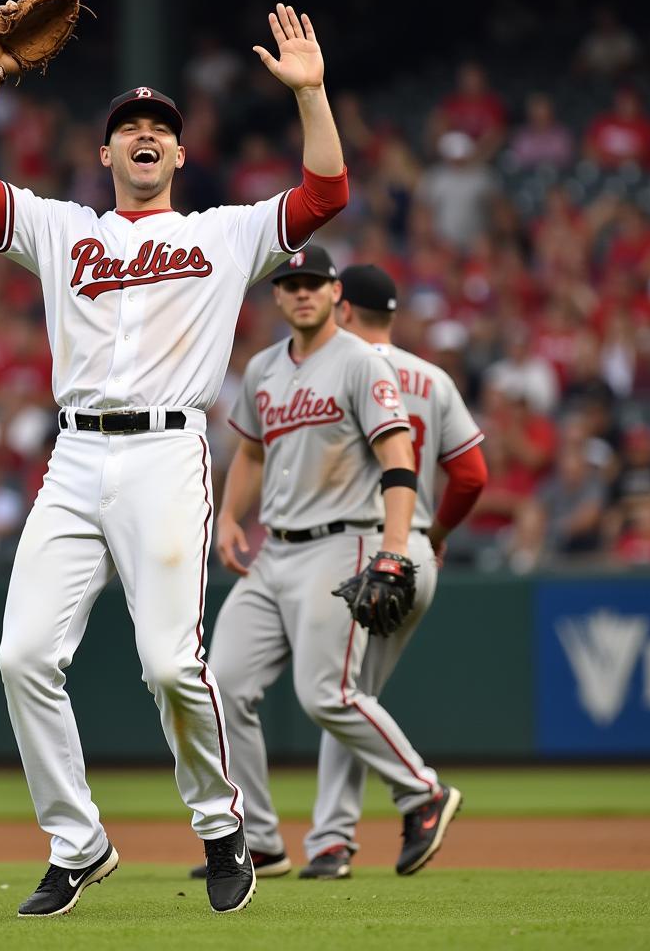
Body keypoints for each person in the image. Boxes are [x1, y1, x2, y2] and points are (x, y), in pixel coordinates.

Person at [0, 1, 349, 916]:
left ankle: (218, 826)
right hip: (75, 459)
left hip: (168, 454)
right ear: (107, 155)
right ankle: (77, 841)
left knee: (169, 665)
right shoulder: (62, 231)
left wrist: (312, 95)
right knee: (19, 657)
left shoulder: (221, 234)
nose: (145, 136)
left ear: (179, 153)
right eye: (129, 128)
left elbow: (325, 198)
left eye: (160, 127)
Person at [190, 250, 467, 886]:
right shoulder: (262, 367)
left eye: (313, 282)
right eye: (290, 284)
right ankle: (259, 840)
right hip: (276, 550)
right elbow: (251, 455)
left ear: (334, 292)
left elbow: (398, 457)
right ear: (278, 297)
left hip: (343, 544)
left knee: (327, 694)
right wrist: (231, 518)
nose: (302, 292)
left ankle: (422, 791)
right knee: (220, 685)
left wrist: (395, 548)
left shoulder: (360, 361)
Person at [304, 262, 487, 878]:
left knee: (340, 693)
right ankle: (332, 839)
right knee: (353, 696)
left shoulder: (341, 367)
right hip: (414, 552)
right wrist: (432, 535)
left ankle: (392, 810)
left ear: (344, 308)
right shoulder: (431, 378)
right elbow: (472, 475)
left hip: (363, 547)